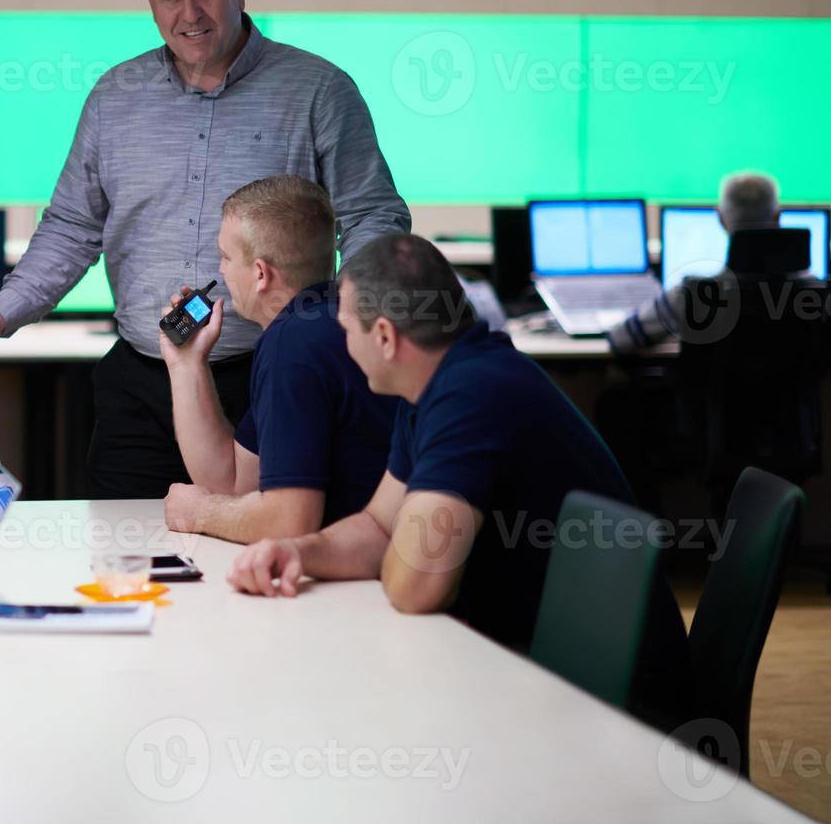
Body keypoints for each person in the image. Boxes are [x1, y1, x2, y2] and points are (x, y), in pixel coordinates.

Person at [0, 0, 410, 500]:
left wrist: (341, 327)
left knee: (258, 556)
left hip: (272, 376)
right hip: (141, 384)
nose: (190, 13)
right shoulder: (113, 97)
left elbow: (372, 218)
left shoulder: (319, 91)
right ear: (150, 2)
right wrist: (2, 313)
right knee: (124, 561)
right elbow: (74, 226)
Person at [228, 234, 693, 729]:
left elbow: (416, 587)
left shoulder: (470, 395)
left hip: (609, 710)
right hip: (543, 668)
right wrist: (300, 552)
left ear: (384, 336)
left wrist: (403, 551)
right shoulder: (437, 385)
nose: (343, 345)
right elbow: (379, 528)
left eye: (347, 330)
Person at [159, 176, 395, 543]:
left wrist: (198, 513)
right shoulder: (323, 322)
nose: (220, 271)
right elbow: (234, 484)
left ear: (260, 273)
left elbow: (289, 524)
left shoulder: (292, 344)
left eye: (226, 256)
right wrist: (186, 363)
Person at [608, 171, 781, 354]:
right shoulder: (810, 296)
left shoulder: (693, 294)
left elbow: (621, 339)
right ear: (777, 217)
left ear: (720, 219)